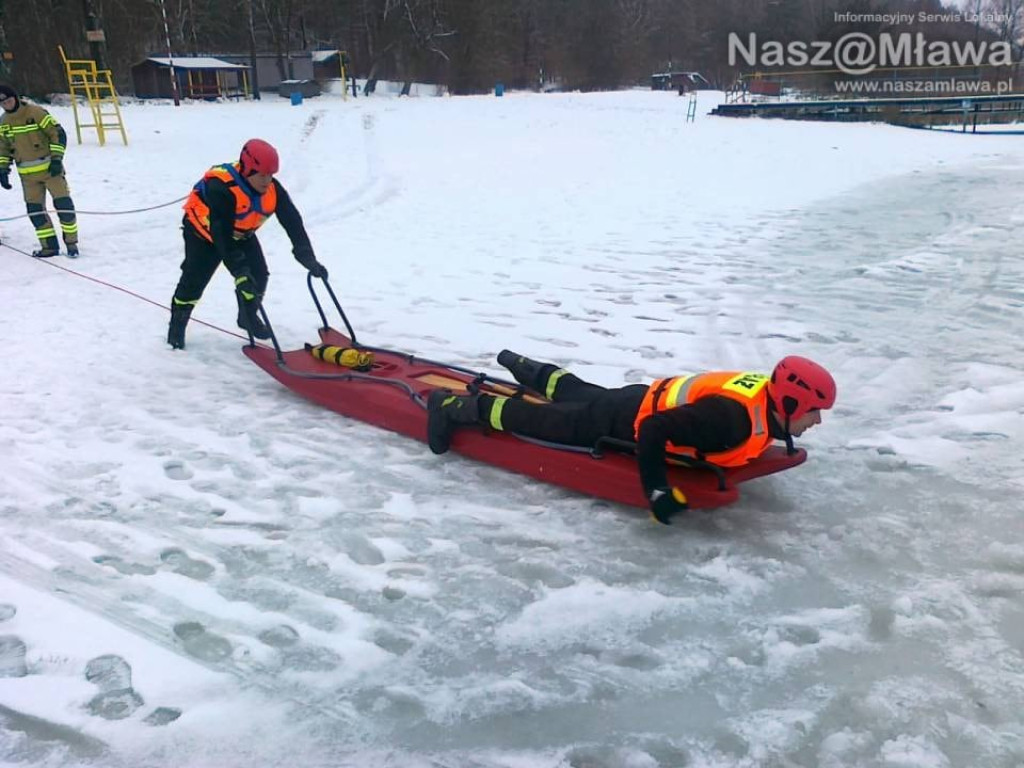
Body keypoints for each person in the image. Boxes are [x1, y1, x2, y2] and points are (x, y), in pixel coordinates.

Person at [427, 351, 836, 524]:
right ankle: (453, 407)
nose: (816, 421)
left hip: (637, 398)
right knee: (538, 420)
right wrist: (657, 491)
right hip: (625, 420)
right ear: (788, 400)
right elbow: (655, 431)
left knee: (579, 392)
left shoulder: (760, 399)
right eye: (813, 412)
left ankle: (526, 366)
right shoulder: (731, 420)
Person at [168, 138, 328, 350]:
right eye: (261, 175)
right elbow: (222, 237)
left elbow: (292, 222)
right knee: (194, 282)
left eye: (271, 175)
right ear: (247, 170)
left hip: (240, 233)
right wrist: (239, 272)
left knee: (259, 275)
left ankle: (247, 316)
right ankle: (177, 328)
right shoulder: (221, 189)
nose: (266, 181)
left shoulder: (273, 189)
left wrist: (307, 257)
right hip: (204, 236)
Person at [0, 84, 79, 258]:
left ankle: (71, 244)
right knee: (35, 212)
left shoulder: (35, 113)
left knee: (64, 207)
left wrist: (57, 159)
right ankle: (49, 247)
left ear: (16, 98)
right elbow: (3, 148)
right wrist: (3, 169)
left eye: (9, 100)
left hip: (51, 170)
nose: (7, 104)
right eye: (3, 103)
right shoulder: (4, 122)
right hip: (28, 177)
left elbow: (57, 134)